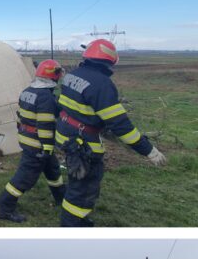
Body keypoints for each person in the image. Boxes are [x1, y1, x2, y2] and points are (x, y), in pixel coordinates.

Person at [56, 39, 167, 227]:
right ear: (110, 61)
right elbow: (121, 126)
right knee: (82, 189)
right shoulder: (102, 84)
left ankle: (77, 219)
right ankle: (71, 225)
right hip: (84, 147)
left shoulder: (72, 75)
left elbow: (77, 108)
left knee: (77, 183)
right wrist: (148, 150)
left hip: (66, 136)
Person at [0, 59, 66, 223]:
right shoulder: (45, 97)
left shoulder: (28, 91)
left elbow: (22, 116)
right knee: (24, 178)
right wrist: (47, 148)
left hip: (28, 140)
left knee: (53, 171)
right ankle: (5, 207)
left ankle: (61, 198)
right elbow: (45, 124)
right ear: (53, 77)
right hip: (38, 145)